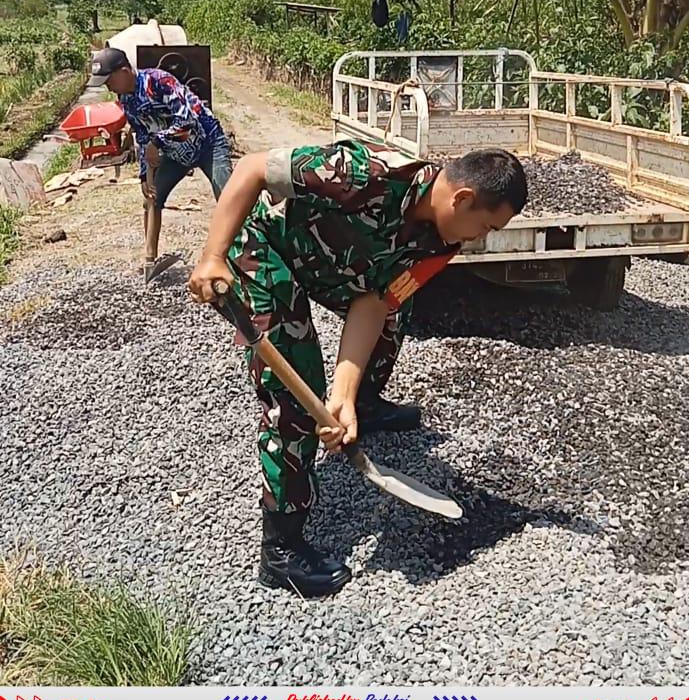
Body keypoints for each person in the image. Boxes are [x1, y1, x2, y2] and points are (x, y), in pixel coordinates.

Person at [189, 139, 527, 599]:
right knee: (295, 391)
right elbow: (250, 169)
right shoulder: (364, 174)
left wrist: (343, 395)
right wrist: (212, 255)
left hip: (332, 266)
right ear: (462, 199)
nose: (479, 239)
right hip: (265, 247)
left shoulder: (440, 245)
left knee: (394, 315)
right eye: (485, 226)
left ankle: (361, 407)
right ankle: (281, 549)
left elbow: (374, 301)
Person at [87, 47, 233, 260]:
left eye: (109, 80)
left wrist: (157, 142)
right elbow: (143, 137)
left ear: (125, 71)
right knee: (151, 199)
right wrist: (145, 175)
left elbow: (188, 123)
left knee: (229, 196)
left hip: (207, 143)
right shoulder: (126, 100)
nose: (108, 87)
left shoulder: (159, 82)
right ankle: (150, 259)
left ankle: (244, 251)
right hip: (175, 154)